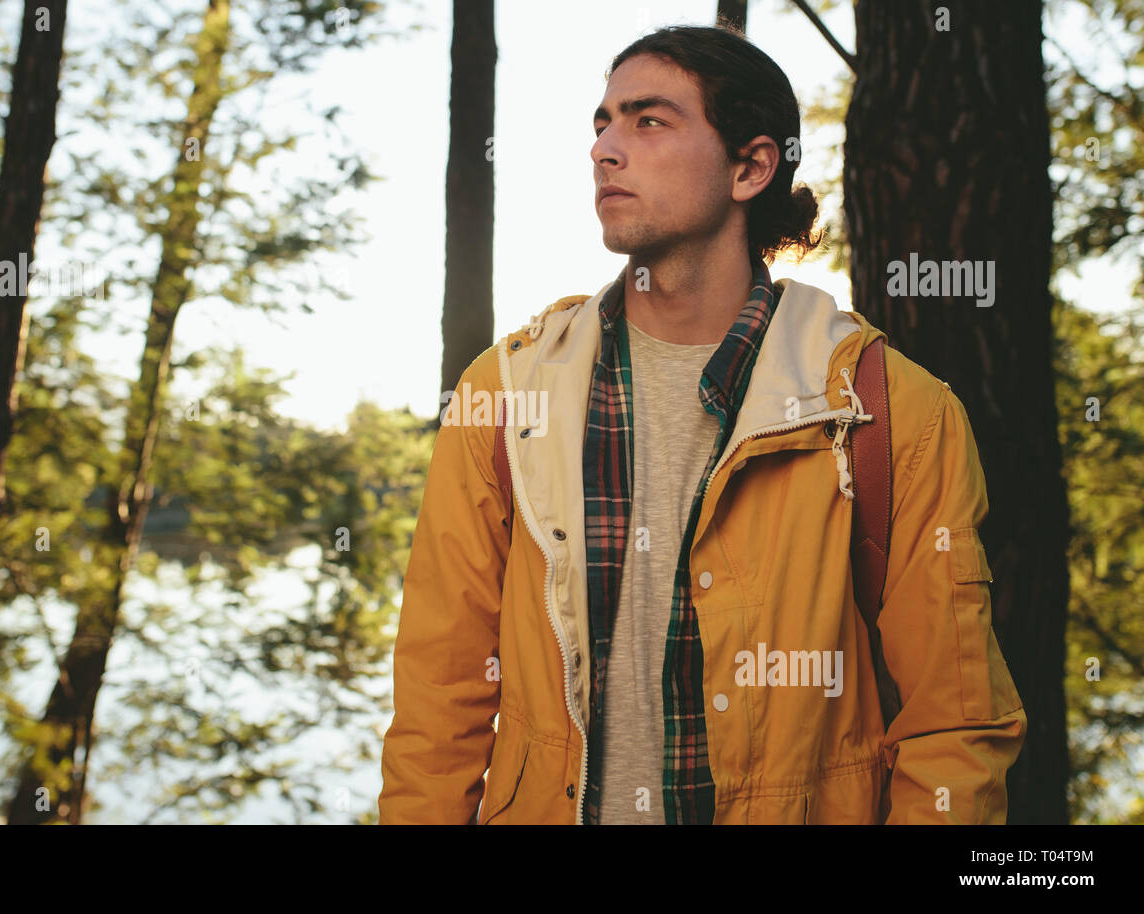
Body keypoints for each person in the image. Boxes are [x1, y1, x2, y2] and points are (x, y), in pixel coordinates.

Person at [378, 24, 1025, 825]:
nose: (605, 149)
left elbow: (954, 729)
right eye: (603, 123)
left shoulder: (890, 409)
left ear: (751, 166)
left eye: (649, 121)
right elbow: (439, 700)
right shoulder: (506, 394)